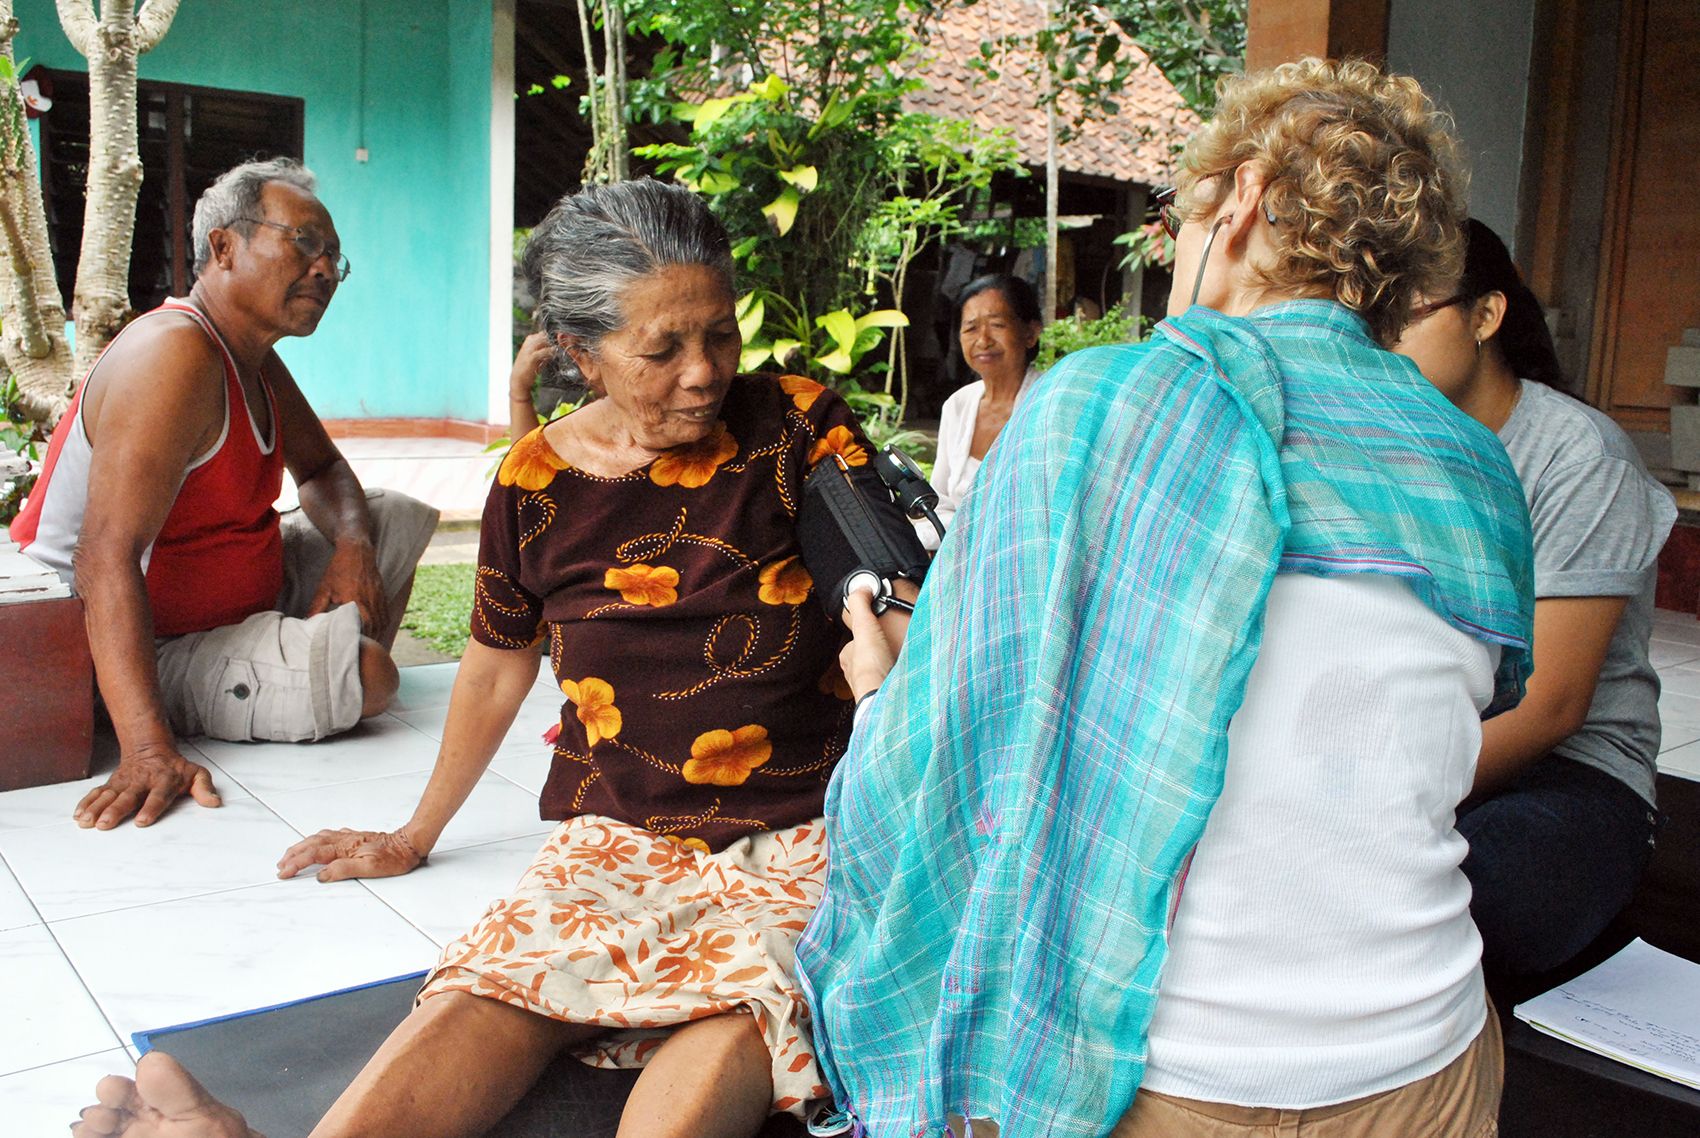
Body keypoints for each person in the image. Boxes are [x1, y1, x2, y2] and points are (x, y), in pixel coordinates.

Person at [73, 178, 906, 1138]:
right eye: (663, 348)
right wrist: (413, 834)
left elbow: (886, 586)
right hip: (621, 832)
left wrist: (893, 637)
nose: (705, 371)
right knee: (493, 983)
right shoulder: (536, 480)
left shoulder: (795, 423)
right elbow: (495, 662)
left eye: (720, 333)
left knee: (738, 1007)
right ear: (582, 356)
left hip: (811, 825)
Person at [800, 59, 1535, 1138]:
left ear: (1234, 200)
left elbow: (940, 761)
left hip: (1160, 1075)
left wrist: (879, 688)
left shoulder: (1100, 407)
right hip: (1431, 1061)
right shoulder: (1472, 465)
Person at [9, 157, 438, 831]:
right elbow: (104, 557)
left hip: (232, 610)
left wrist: (353, 546)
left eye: (335, 259)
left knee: (392, 517)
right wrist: (148, 749)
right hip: (136, 642)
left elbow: (324, 470)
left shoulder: (254, 359)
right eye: (304, 244)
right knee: (371, 675)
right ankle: (302, 673)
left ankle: (292, 666)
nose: (325, 270)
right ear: (223, 247)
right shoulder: (173, 352)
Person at [1392, 218, 1672, 977]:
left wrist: (1391, 807)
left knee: (1474, 904)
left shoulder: (1580, 456)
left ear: (1484, 316)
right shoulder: (1390, 453)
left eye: (1404, 317)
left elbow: (1552, 706)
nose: (1380, 344)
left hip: (1567, 775)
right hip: (1422, 750)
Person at [921, 274, 1044, 549]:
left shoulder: (1049, 402)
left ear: (1031, 333)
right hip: (962, 557)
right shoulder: (958, 405)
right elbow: (940, 502)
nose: (983, 340)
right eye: (971, 328)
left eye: (997, 325)